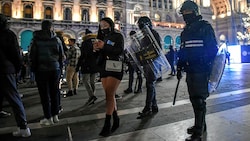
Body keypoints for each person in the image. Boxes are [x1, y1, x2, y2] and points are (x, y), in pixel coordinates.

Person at [177, 1, 218, 141]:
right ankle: (200, 124)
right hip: (190, 70)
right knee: (194, 99)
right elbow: (183, 50)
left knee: (199, 99)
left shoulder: (205, 27)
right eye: (184, 14)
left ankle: (198, 132)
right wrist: (179, 65)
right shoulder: (185, 31)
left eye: (188, 13)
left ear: (195, 12)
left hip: (201, 69)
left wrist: (204, 62)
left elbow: (213, 49)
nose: (185, 16)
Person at [0, 13, 31, 137]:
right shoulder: (8, 34)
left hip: (5, 69)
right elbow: (15, 54)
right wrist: (17, 68)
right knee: (14, 98)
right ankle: (23, 128)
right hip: (6, 70)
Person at [93, 17, 124, 136]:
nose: (103, 28)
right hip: (104, 67)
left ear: (110, 25)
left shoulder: (118, 36)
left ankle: (107, 123)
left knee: (109, 94)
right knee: (109, 95)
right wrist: (96, 49)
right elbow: (100, 53)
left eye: (105, 25)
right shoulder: (102, 38)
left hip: (115, 67)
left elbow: (119, 50)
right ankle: (116, 119)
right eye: (101, 26)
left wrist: (104, 46)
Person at [29, 20, 64, 126]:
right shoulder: (57, 39)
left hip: (41, 69)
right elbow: (61, 55)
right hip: (55, 68)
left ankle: (48, 117)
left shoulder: (35, 39)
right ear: (51, 27)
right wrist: (60, 67)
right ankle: (55, 116)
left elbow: (32, 56)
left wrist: (33, 69)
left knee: (44, 94)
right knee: (55, 92)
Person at [136, 16, 161, 118]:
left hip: (152, 62)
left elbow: (157, 49)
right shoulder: (144, 36)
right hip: (146, 63)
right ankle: (154, 106)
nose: (141, 29)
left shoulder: (153, 34)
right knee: (150, 84)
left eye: (142, 26)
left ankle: (148, 108)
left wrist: (148, 54)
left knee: (150, 84)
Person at [76, 29, 99, 105]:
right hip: (95, 65)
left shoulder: (85, 43)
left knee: (85, 81)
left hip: (86, 65)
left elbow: (83, 56)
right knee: (92, 82)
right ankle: (92, 97)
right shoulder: (96, 43)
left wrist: (78, 66)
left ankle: (92, 96)